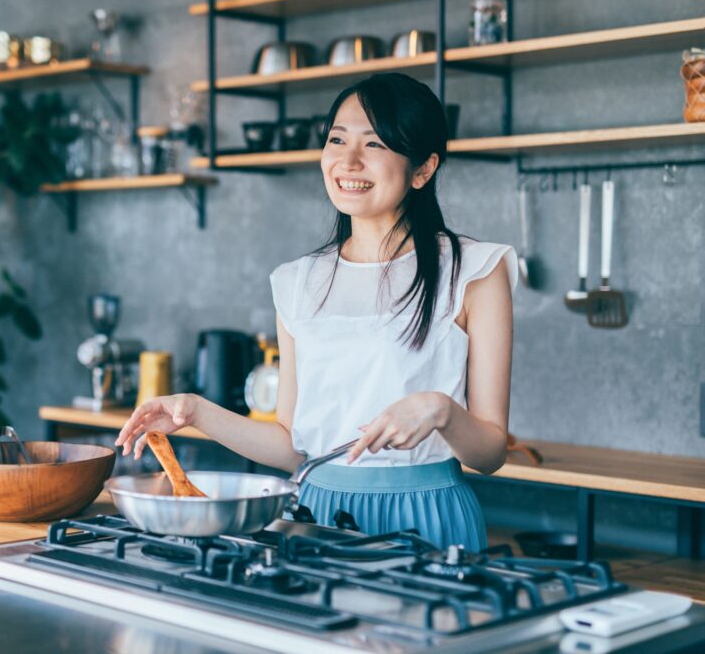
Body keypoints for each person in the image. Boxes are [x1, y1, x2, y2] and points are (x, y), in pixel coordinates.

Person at [115, 73, 516, 550]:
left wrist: (442, 412)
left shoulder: (474, 271)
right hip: (316, 516)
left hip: (425, 517)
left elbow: (490, 453)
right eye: (337, 139)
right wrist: (195, 412)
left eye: (375, 144)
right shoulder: (297, 282)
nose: (348, 161)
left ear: (423, 169)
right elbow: (292, 447)